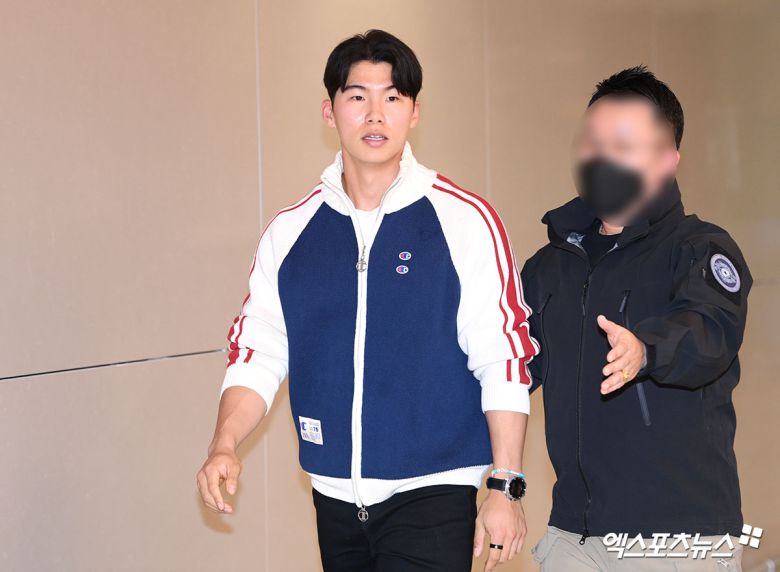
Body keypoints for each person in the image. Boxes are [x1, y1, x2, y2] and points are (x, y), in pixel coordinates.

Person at [196, 29, 539, 572]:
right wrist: (224, 443)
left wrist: (505, 483)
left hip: (433, 494)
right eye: (357, 96)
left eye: (392, 97)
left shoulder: (465, 221)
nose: (375, 114)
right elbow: (258, 350)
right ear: (329, 111)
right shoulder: (291, 232)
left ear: (414, 112)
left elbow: (503, 357)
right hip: (333, 495)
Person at [521, 66, 751, 571]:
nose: (600, 157)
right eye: (591, 142)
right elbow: (512, 366)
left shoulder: (700, 249)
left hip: (678, 535)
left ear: (667, 159)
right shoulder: (548, 267)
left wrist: (646, 349)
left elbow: (709, 331)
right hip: (573, 534)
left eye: (622, 145)